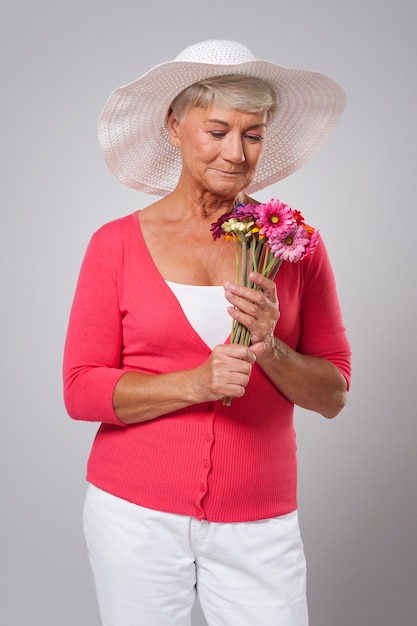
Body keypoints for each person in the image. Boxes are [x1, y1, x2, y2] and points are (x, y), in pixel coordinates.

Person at [63, 39, 351, 626]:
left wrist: (270, 346)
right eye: (217, 130)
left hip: (259, 518)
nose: (237, 153)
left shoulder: (293, 245)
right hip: (134, 514)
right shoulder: (114, 245)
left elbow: (333, 394)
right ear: (175, 126)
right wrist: (195, 383)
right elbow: (80, 390)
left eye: (253, 134)